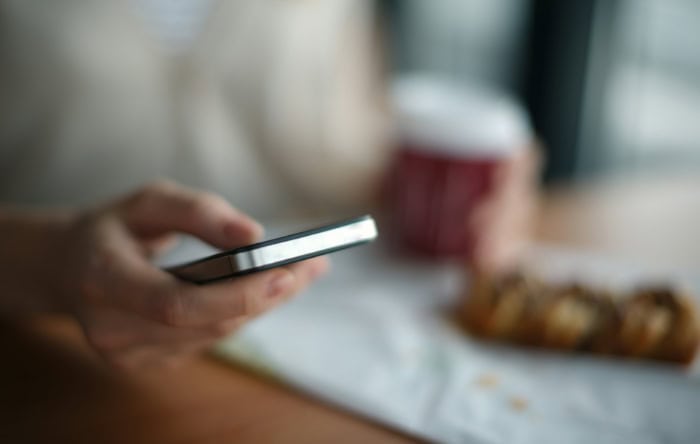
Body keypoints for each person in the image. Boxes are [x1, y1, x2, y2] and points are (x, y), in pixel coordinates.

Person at [0, 0, 537, 369]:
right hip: (40, 353)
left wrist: (472, 192)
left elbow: (355, 133)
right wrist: (45, 260)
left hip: (332, 352)